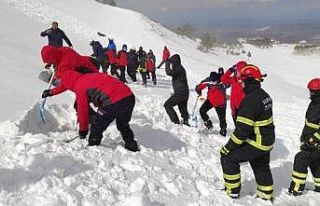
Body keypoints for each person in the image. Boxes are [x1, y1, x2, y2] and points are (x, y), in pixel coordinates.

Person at [42, 70, 139, 152]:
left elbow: (82, 111)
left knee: (97, 126)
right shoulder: (88, 76)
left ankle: (93, 149)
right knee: (123, 125)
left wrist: (83, 130)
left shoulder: (80, 87)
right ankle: (131, 145)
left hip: (113, 102)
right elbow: (64, 86)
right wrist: (51, 93)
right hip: (129, 97)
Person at [220, 65, 275, 201]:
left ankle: (232, 191)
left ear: (248, 81)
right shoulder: (264, 95)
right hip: (267, 140)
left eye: (242, 80)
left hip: (257, 141)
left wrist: (228, 147)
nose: (241, 83)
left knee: (228, 158)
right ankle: (265, 195)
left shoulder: (250, 101)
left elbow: (242, 132)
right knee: (261, 165)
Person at [288, 78, 320, 196]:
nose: (311, 94)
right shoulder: (315, 103)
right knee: (316, 162)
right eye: (310, 91)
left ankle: (296, 188)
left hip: (316, 143)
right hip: (310, 141)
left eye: (313, 91)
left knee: (300, 159)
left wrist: (313, 140)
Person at [195, 71, 227, 136]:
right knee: (202, 111)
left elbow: (228, 81)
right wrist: (198, 91)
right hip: (210, 100)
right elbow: (199, 86)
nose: (213, 83)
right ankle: (209, 125)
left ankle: (223, 130)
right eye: (212, 81)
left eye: (214, 81)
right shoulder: (208, 81)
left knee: (222, 119)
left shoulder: (222, 82)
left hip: (220, 103)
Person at [164, 54, 189, 126]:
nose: (171, 64)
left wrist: (167, 63)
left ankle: (175, 123)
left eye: (172, 62)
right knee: (182, 109)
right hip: (184, 93)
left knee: (167, 105)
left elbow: (169, 72)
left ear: (175, 62)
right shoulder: (180, 68)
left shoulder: (179, 68)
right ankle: (186, 122)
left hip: (180, 93)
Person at [221, 61, 247, 125]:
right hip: (234, 110)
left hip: (243, 110)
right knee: (238, 129)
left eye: (239, 71)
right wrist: (230, 70)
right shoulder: (234, 79)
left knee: (243, 130)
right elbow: (223, 79)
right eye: (237, 70)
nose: (237, 73)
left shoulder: (247, 81)